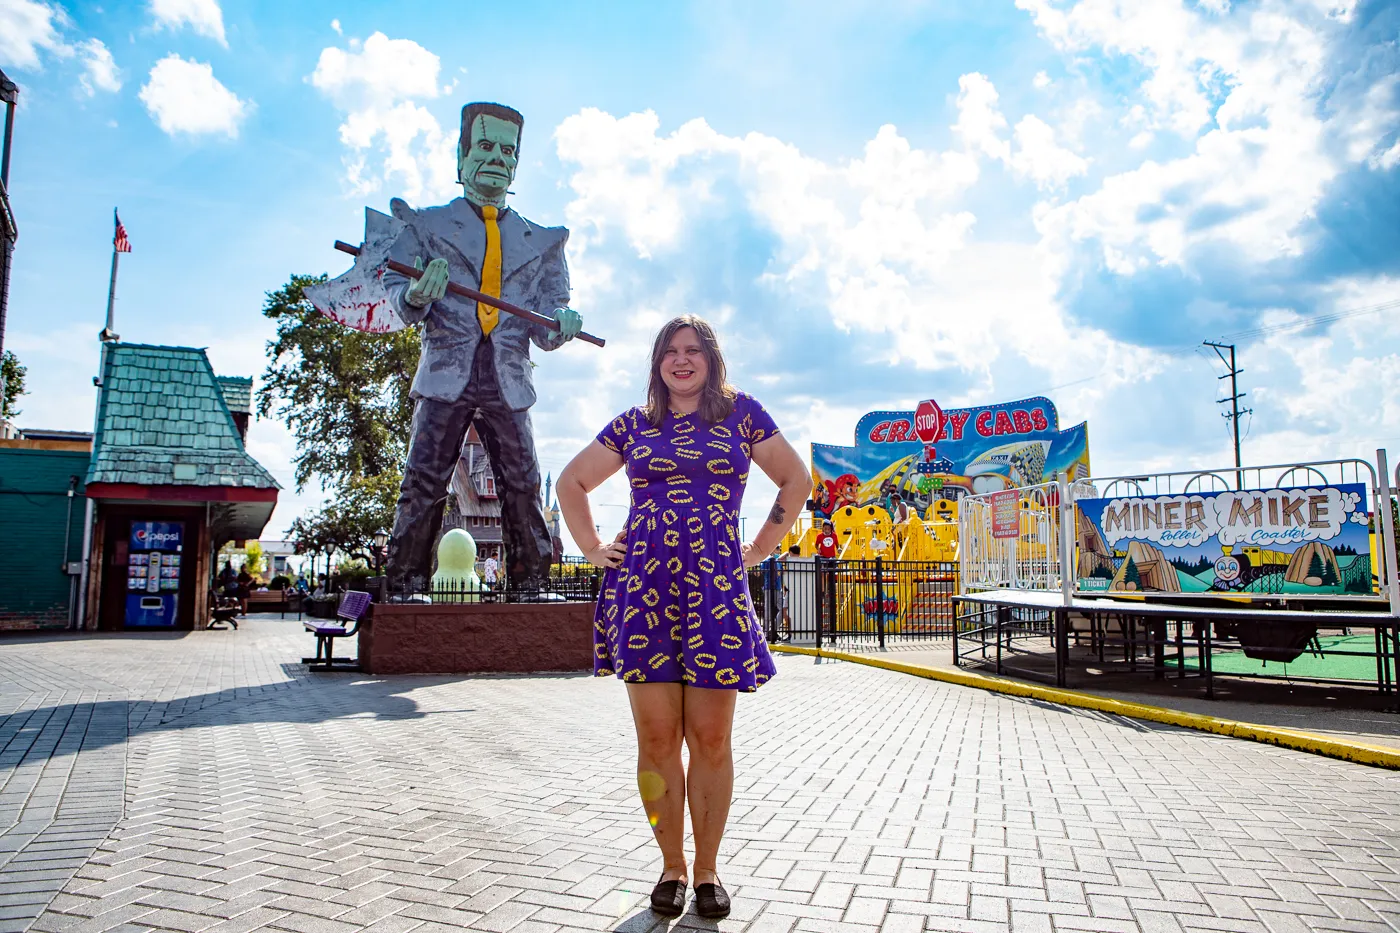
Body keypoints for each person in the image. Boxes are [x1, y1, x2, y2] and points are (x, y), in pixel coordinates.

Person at [557, 315, 809, 920]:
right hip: (642, 588)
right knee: (657, 739)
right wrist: (593, 550)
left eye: (693, 350)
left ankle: (708, 871)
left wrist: (758, 550)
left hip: (715, 592)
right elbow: (572, 482)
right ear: (657, 363)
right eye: (670, 351)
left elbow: (796, 479)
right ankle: (670, 866)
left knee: (712, 739)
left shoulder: (742, 414)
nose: (682, 359)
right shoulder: (635, 424)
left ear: (712, 359)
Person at [381, 101, 584, 592]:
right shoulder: (423, 225)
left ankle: (531, 584)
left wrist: (562, 324)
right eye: (485, 146)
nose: (496, 158)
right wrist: (413, 294)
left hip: (509, 378)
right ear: (462, 156)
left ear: (516, 164)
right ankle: (405, 582)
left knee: (523, 482)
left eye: (507, 151)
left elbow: (550, 316)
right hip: (447, 371)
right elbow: (394, 287)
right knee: (424, 481)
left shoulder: (545, 241)